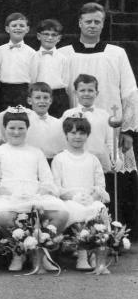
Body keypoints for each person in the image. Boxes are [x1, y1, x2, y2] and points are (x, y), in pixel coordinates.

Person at [59, 2, 137, 226]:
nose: (92, 26)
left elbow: (130, 91)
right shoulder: (65, 53)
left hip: (110, 127)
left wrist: (128, 129)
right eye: (88, 21)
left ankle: (114, 230)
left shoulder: (116, 53)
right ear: (79, 23)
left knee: (112, 175)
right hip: (76, 129)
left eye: (97, 22)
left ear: (103, 25)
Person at [0, 107, 68, 271]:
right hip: (7, 196)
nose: (16, 132)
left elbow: (47, 180)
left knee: (62, 213)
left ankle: (41, 251)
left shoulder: (36, 152)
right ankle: (19, 252)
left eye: (21, 128)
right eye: (12, 128)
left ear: (27, 129)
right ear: (5, 129)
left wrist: (36, 194)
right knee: (2, 216)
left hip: (35, 194)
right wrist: (14, 195)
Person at [51, 115, 109, 269]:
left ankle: (96, 254)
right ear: (66, 135)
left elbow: (100, 185)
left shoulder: (92, 159)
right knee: (78, 210)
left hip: (90, 198)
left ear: (87, 135)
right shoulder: (60, 159)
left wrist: (92, 196)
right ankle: (82, 256)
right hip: (69, 199)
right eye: (73, 133)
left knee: (98, 209)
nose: (77, 137)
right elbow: (56, 187)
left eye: (82, 133)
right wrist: (74, 196)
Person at [0, 82, 63, 160]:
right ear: (29, 100)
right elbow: (1, 117)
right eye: (37, 97)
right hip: (27, 160)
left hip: (50, 161)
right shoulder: (24, 119)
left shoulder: (58, 123)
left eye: (45, 98)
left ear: (50, 100)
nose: (42, 101)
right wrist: (17, 110)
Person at [60, 74, 114, 172]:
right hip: (76, 160)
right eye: (82, 90)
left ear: (96, 93)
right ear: (75, 93)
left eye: (90, 90)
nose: (86, 94)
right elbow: (63, 139)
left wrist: (115, 158)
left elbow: (111, 140)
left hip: (100, 160)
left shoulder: (104, 115)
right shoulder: (68, 114)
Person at [29, 18, 70, 117]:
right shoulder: (34, 57)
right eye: (46, 34)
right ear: (39, 36)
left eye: (54, 35)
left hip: (59, 95)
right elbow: (32, 79)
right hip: (40, 95)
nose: (50, 38)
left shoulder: (63, 58)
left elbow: (66, 80)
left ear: (59, 38)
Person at [0, 12, 36, 111]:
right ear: (7, 29)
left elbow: (33, 77)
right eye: (14, 25)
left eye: (21, 26)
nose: (18, 28)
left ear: (27, 29)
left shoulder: (32, 52)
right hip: (3, 90)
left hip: (23, 90)